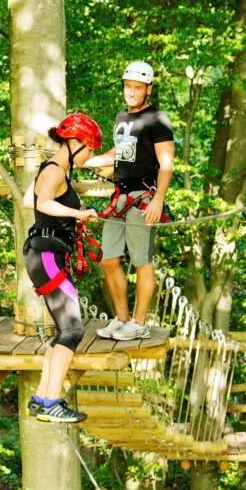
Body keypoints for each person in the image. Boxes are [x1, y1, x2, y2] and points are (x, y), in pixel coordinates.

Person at [84, 61, 174, 341]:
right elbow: (119, 152)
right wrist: (84, 161)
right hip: (119, 196)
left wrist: (158, 200)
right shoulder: (121, 116)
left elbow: (166, 163)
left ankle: (139, 323)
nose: (132, 92)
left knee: (141, 262)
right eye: (128, 86)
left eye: (137, 87)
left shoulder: (157, 119)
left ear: (148, 89)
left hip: (143, 198)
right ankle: (121, 320)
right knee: (109, 259)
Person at [21, 113, 102, 423]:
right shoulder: (55, 170)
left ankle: (43, 399)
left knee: (65, 331)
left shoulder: (53, 170)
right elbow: (41, 204)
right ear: (75, 143)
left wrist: (70, 212)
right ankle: (53, 400)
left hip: (45, 255)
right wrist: (77, 214)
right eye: (90, 149)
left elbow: (30, 200)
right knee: (73, 330)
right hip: (47, 255)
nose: (90, 156)